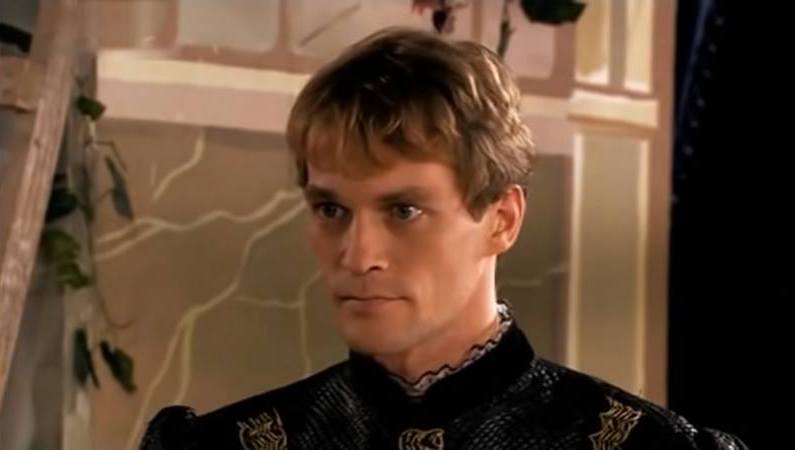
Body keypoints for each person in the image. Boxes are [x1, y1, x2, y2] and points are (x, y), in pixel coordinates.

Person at [140, 27, 747, 450]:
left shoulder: (640, 446)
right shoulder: (226, 444)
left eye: (403, 210)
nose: (359, 255)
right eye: (331, 209)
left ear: (502, 219)